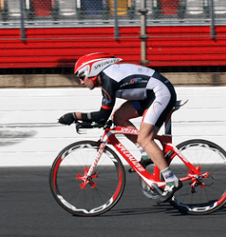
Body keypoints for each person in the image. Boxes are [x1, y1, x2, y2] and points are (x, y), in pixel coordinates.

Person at [58, 52, 182, 202]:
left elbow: (102, 116)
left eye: (81, 76)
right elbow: (104, 117)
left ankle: (170, 179)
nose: (81, 82)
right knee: (118, 117)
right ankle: (146, 154)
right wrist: (87, 121)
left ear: (91, 70)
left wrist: (74, 116)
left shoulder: (108, 80)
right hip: (147, 96)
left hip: (160, 94)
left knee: (145, 138)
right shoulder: (106, 79)